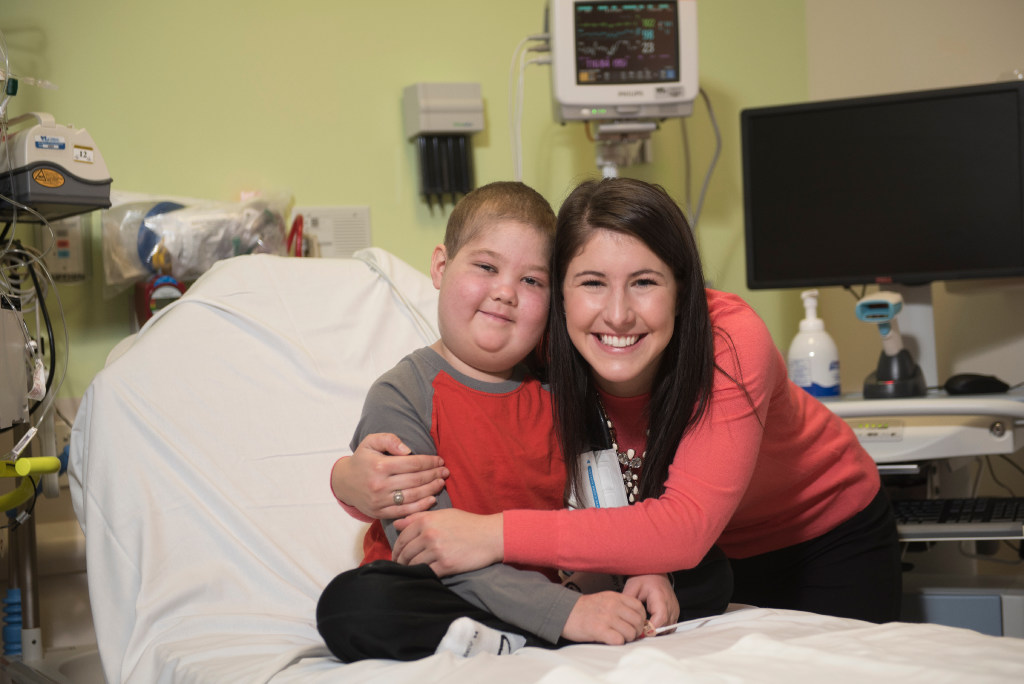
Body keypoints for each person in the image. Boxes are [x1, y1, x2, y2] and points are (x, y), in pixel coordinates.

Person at [385, 177, 903, 624]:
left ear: (681, 287)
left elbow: (683, 527)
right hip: (690, 563)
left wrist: (492, 535)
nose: (617, 315)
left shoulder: (730, 342)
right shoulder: (547, 338)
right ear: (559, 290)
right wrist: (353, 480)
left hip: (822, 538)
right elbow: (453, 400)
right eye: (591, 283)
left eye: (644, 283)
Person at [317, 181, 731, 663]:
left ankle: (520, 633)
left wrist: (645, 570)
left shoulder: (566, 387)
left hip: (558, 580)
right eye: (486, 267)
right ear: (441, 266)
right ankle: (536, 634)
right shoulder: (402, 395)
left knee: (710, 570)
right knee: (354, 606)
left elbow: (610, 506)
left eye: (532, 281)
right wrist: (566, 614)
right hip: (450, 588)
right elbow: (429, 548)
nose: (505, 293)